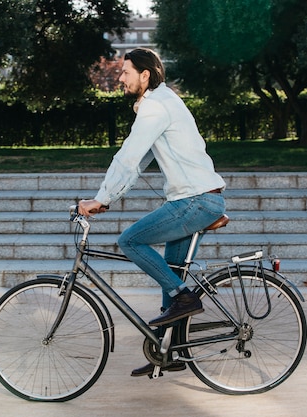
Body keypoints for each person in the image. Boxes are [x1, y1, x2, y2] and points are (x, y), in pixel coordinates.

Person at [77, 48, 226, 376]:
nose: (121, 77)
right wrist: (110, 197)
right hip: (200, 198)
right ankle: (168, 350)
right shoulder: (163, 102)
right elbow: (138, 162)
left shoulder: (155, 106)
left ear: (145, 75)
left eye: (126, 72)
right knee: (171, 273)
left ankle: (184, 299)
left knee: (130, 241)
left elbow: (128, 156)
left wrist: (101, 199)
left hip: (193, 201)